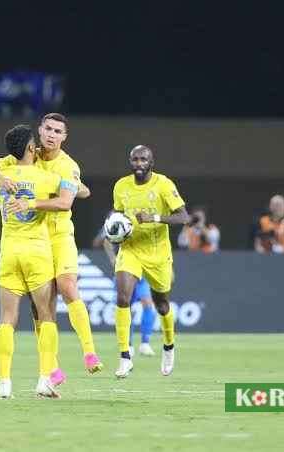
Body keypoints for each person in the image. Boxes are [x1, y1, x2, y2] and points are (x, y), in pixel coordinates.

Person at [0, 113, 103, 374]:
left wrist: (35, 201)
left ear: (64, 137)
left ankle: (89, 352)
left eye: (58, 131)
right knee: (41, 304)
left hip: (60, 234)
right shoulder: (25, 155)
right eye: (48, 129)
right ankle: (52, 370)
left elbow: (73, 196)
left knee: (67, 286)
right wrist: (0, 178)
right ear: (40, 131)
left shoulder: (68, 166)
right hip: (37, 238)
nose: (52, 135)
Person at [0, 124, 70, 399]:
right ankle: (44, 380)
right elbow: (71, 195)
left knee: (7, 319)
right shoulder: (45, 177)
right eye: (34, 143)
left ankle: (4, 382)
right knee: (46, 316)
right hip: (37, 252)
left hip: (9, 252)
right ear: (28, 148)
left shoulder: (3, 175)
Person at [111, 145, 189, 378]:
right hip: (130, 249)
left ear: (151, 162)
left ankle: (168, 345)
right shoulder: (121, 186)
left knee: (162, 304)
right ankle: (125, 356)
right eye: (135, 159)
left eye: (143, 159)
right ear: (130, 161)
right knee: (123, 297)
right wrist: (112, 228)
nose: (139, 163)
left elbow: (184, 217)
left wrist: (153, 217)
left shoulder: (164, 184)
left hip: (157, 254)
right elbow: (117, 214)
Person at [93, 218, 156, 357]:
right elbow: (105, 240)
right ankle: (129, 344)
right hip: (125, 270)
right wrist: (112, 258)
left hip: (141, 270)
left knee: (148, 304)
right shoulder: (120, 219)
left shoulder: (142, 219)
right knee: (126, 307)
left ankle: (145, 343)